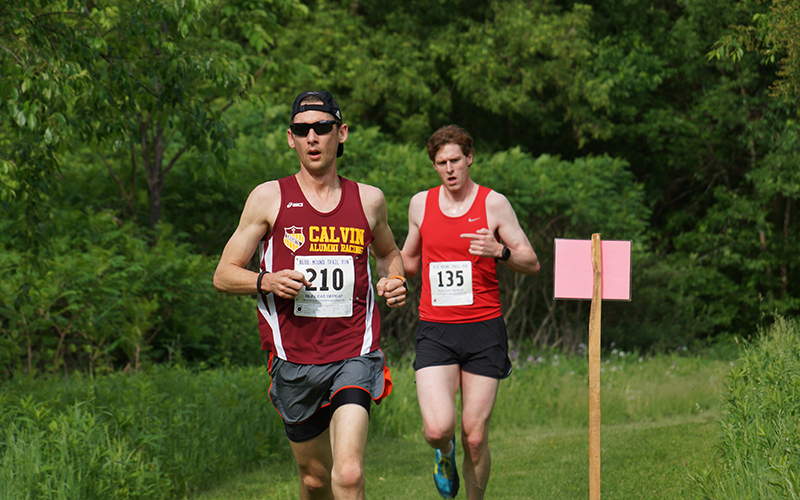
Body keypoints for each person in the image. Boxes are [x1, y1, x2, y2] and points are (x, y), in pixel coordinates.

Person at [213, 90, 407, 500]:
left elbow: (390, 254)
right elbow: (224, 275)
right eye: (303, 130)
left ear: (342, 133)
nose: (313, 137)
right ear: (291, 138)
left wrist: (393, 280)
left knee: (349, 473)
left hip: (355, 351)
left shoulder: (369, 199)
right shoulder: (269, 197)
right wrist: (266, 280)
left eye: (322, 128)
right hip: (293, 360)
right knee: (315, 480)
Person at [401, 125, 540, 499]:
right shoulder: (420, 204)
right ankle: (443, 452)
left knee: (475, 436)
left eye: (455, 161)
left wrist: (500, 252)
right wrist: (389, 275)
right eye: (441, 163)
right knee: (436, 428)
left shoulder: (493, 204)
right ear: (434, 165)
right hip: (436, 329)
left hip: (483, 330)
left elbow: (531, 261)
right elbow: (409, 260)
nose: (449, 169)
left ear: (469, 159)